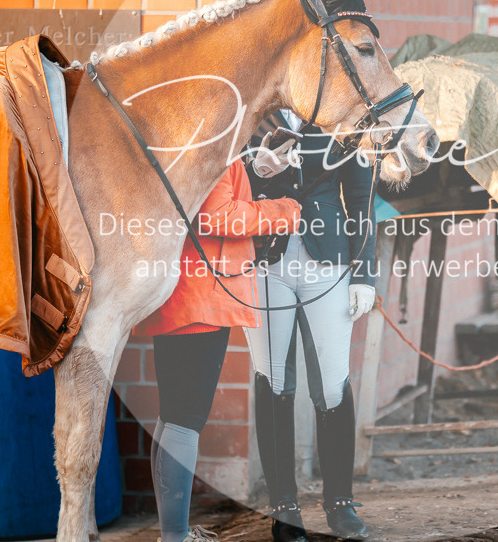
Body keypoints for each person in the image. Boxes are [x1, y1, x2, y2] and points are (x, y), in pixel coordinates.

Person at [134, 160, 301, 542]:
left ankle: (172, 532)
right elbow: (217, 215)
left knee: (172, 417)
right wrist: (283, 211)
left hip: (183, 295)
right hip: (204, 297)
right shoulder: (217, 147)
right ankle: (174, 537)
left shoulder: (188, 143)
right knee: (184, 419)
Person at [245, 110, 377, 542]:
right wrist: (257, 167)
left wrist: (365, 273)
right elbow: (220, 180)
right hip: (266, 260)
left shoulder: (342, 114)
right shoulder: (251, 110)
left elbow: (361, 197)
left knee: (333, 383)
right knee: (274, 379)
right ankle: (284, 507)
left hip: (331, 259)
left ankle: (340, 503)